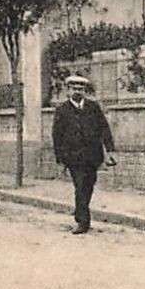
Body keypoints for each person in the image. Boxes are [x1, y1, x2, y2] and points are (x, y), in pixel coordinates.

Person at [51, 74, 116, 235]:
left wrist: (109, 151)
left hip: (93, 156)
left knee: (88, 187)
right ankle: (82, 221)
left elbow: (104, 129)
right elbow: (56, 136)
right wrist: (60, 160)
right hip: (73, 158)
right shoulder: (62, 110)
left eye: (81, 89)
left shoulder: (93, 107)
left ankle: (81, 213)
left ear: (84, 91)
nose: (78, 92)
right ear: (68, 90)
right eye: (74, 89)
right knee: (80, 187)